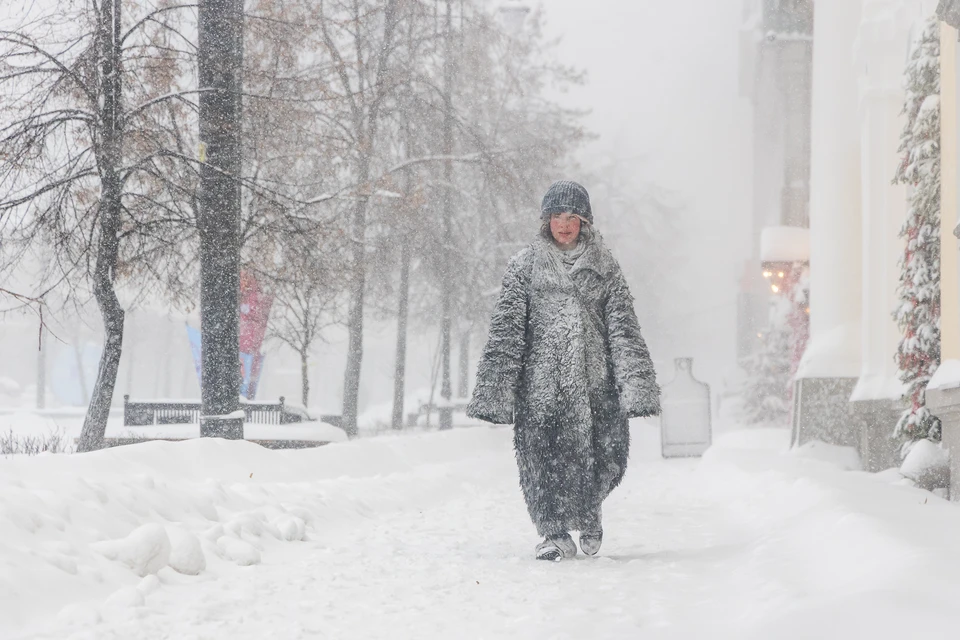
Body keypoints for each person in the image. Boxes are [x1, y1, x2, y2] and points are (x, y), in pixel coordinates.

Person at [467, 180, 661, 562]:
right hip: (541, 389)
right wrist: (495, 391)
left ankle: (589, 514)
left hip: (596, 388)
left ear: (585, 221)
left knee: (606, 458)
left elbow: (623, 328)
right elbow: (507, 332)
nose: (564, 224)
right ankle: (554, 535)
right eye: (557, 216)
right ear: (546, 220)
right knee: (542, 464)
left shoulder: (605, 267)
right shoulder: (525, 267)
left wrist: (635, 385)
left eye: (572, 216)